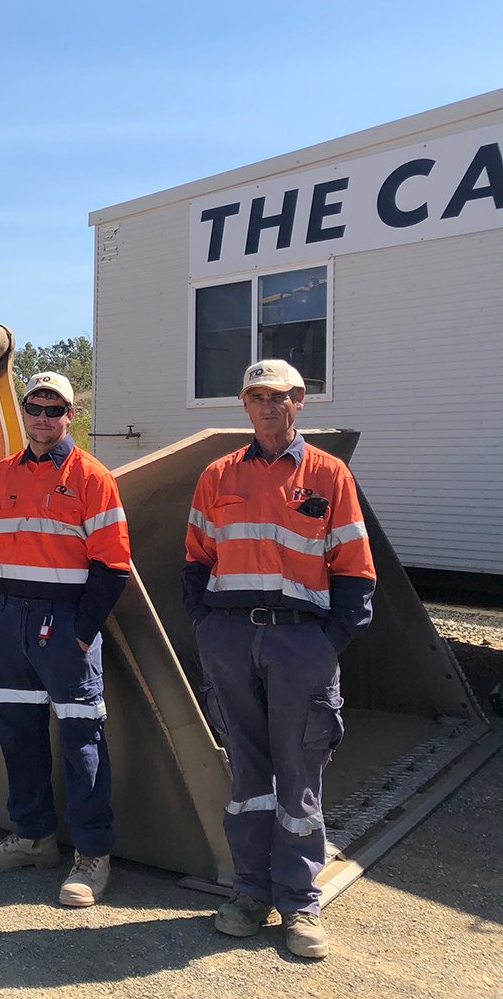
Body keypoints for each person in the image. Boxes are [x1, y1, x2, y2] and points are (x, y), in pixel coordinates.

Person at [183, 359, 375, 960]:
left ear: (300, 402)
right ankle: (249, 892)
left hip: (300, 645)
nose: (270, 406)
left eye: (282, 396)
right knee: (246, 773)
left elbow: (354, 571)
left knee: (299, 774)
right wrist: (210, 630)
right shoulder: (217, 476)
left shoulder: (328, 475)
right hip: (232, 641)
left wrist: (326, 643)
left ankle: (299, 902)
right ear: (244, 404)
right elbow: (195, 561)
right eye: (258, 396)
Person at [0, 372, 130, 908]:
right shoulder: (1, 476)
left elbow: (113, 565)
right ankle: (34, 838)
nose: (42, 417)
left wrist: (82, 634)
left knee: (82, 742)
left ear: (68, 415)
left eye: (54, 408)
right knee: (17, 736)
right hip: (9, 623)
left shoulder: (92, 476)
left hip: (64, 627)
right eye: (34, 407)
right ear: (25, 412)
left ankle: (92, 854)